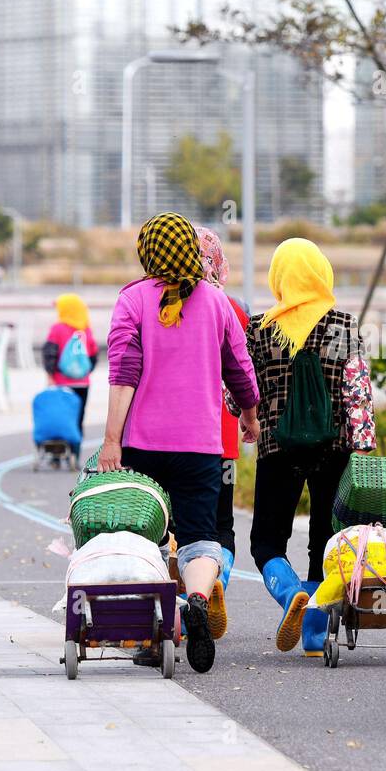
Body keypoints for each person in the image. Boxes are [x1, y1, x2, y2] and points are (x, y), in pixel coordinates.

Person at [98, 212, 260, 674]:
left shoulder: (132, 300)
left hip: (144, 448)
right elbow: (240, 369)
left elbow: (123, 374)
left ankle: (153, 635)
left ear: (147, 252)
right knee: (199, 538)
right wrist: (249, 417)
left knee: (144, 540)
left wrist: (113, 441)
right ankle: (196, 599)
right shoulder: (217, 302)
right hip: (201, 448)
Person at [246, 238, 375, 657]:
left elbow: (240, 392)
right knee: (325, 540)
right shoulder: (342, 325)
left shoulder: (259, 329)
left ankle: (288, 597)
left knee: (266, 540)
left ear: (279, 277)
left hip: (276, 449)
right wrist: (364, 445)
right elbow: (357, 390)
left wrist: (248, 419)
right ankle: (315, 635)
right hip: (333, 449)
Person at [196, 228, 249, 631]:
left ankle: (191, 595)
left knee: (180, 526)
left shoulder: (168, 302)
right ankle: (220, 581)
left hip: (176, 441)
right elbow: (245, 373)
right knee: (222, 526)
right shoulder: (236, 308)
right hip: (224, 440)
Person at [42, 293, 99, 447]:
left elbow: (50, 353)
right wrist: (84, 373)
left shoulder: (57, 328)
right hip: (83, 383)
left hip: (61, 382)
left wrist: (50, 375)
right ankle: (76, 446)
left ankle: (59, 448)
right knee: (79, 415)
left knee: (61, 415)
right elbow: (93, 355)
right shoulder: (86, 329)